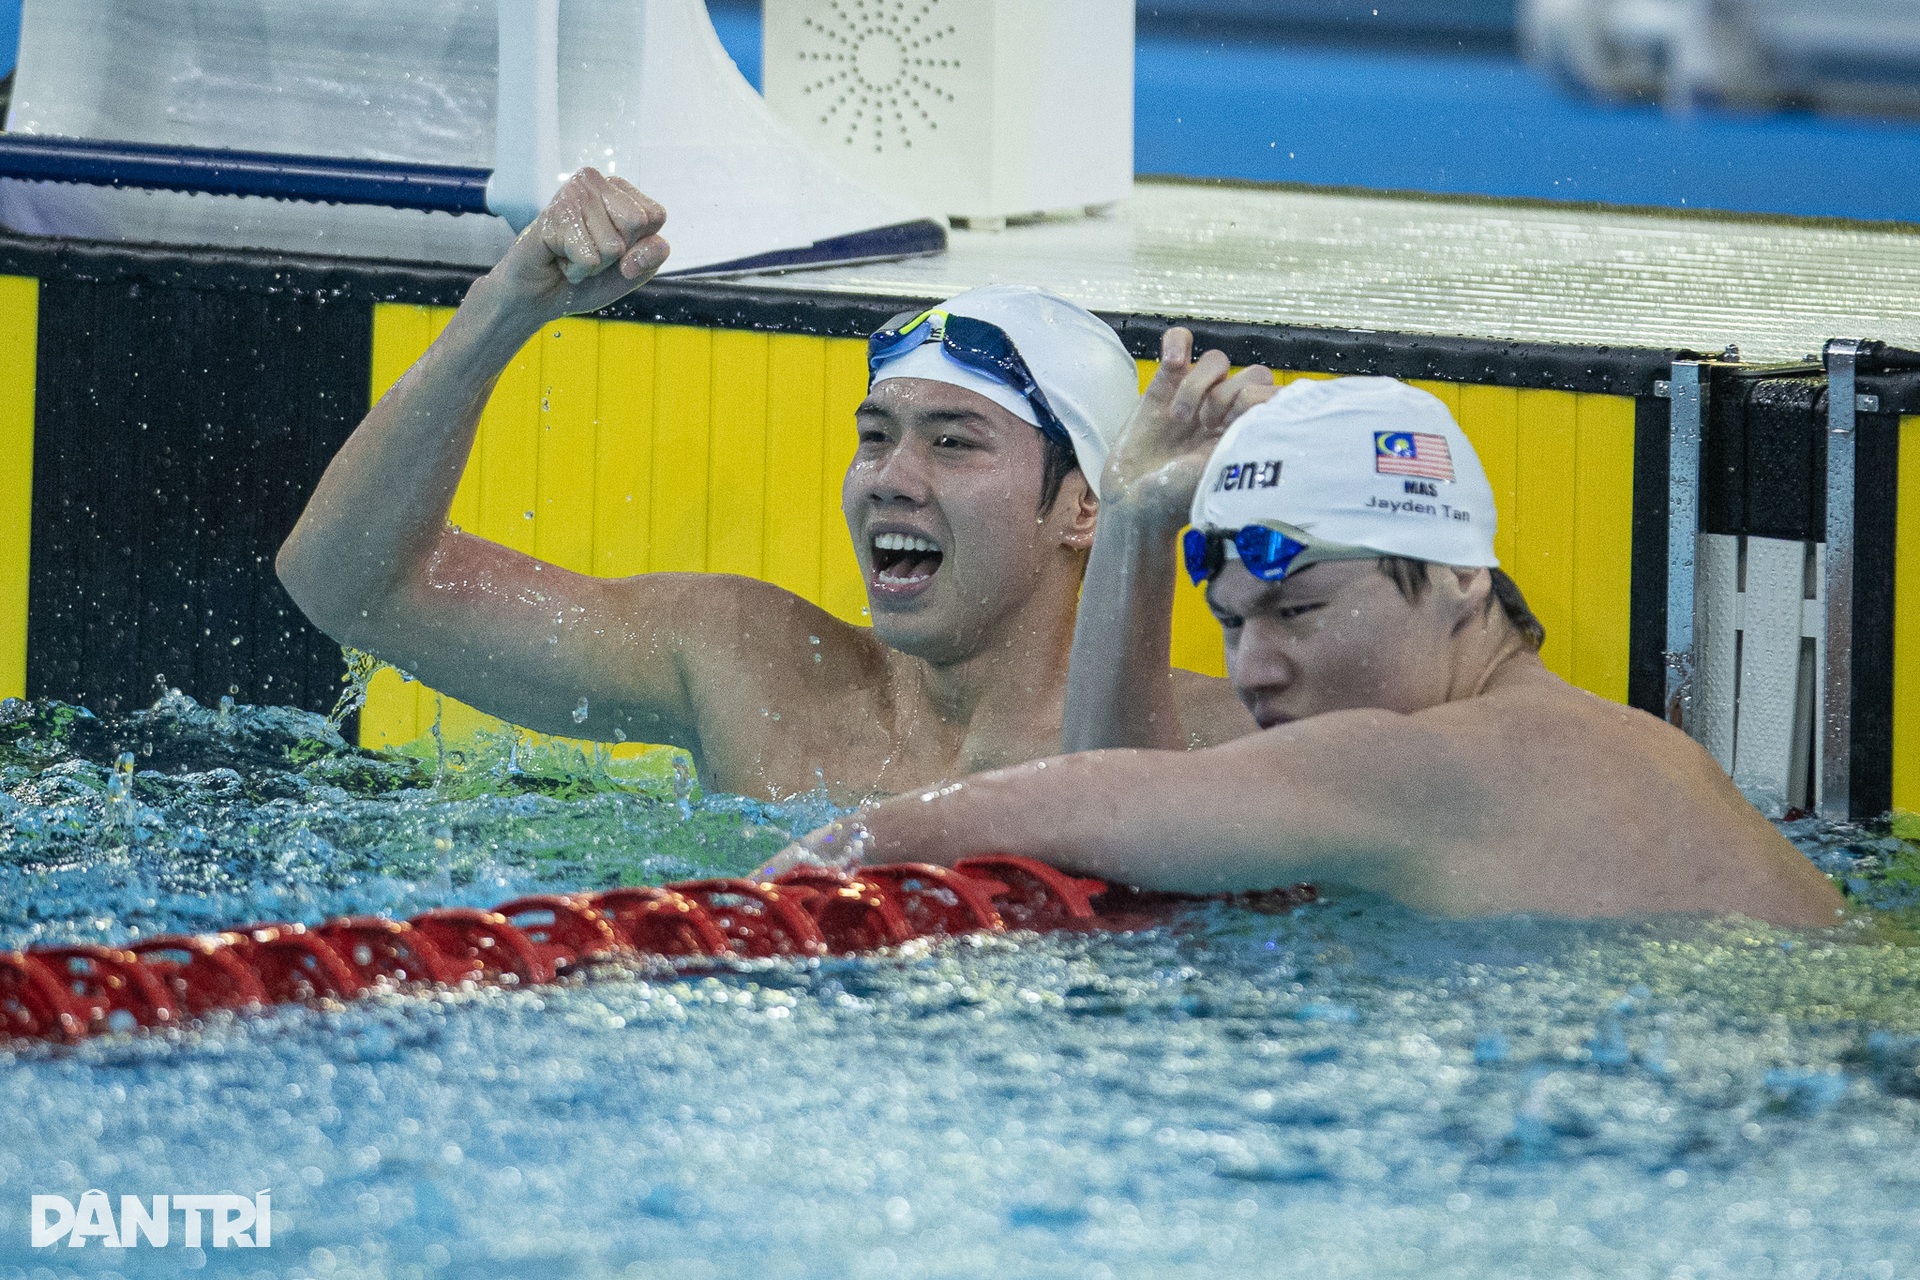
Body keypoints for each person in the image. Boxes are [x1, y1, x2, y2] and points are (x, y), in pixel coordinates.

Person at [780, 331, 1845, 925]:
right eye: (1233, 622)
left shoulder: (1441, 763)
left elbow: (1068, 800)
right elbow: (1138, 839)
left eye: (1298, 611)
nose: (1256, 667)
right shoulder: (1573, 749)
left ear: (1459, 577)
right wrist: (1140, 519)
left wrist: (798, 873)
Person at [275, 170, 1251, 803]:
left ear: (1085, 506)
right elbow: (352, 587)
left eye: (954, 443)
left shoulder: (1207, 743)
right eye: (875, 437)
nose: (891, 477)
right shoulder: (754, 673)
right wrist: (502, 310)